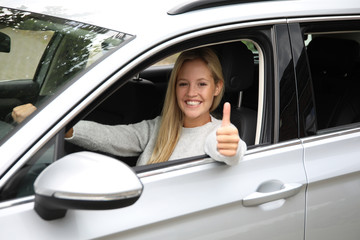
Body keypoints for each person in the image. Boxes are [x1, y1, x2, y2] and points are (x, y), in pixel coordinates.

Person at [12, 47, 246, 166]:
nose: (191, 93)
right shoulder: (159, 127)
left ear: (217, 88)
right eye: (183, 83)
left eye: (202, 84)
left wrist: (230, 148)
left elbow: (229, 152)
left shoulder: (217, 134)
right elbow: (112, 136)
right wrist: (63, 126)